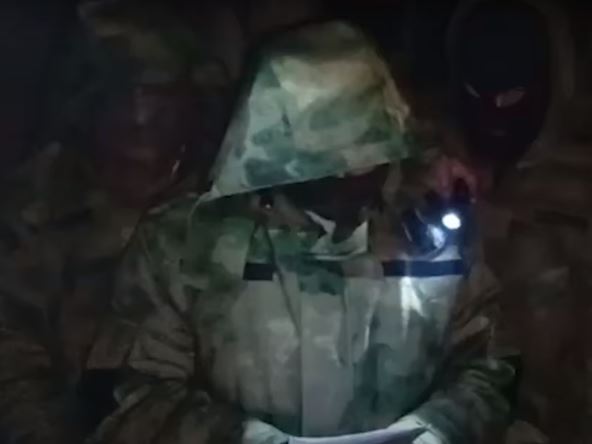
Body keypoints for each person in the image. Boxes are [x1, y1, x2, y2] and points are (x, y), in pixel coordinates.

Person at [89, 21, 513, 444]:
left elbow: (489, 365)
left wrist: (438, 431)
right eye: (330, 159)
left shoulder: (431, 227)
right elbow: (138, 392)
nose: (353, 171)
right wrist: (242, 439)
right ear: (275, 151)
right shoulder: (183, 243)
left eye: (367, 151)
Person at [0, 1, 243, 442]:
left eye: (159, 94)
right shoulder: (34, 207)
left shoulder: (232, 200)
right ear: (88, 102)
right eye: (121, 93)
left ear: (195, 99)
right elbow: (12, 360)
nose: (140, 116)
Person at [448, 0, 583, 442]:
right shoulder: (427, 163)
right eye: (477, 92)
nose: (495, 110)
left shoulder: (577, 181)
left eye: (512, 96)